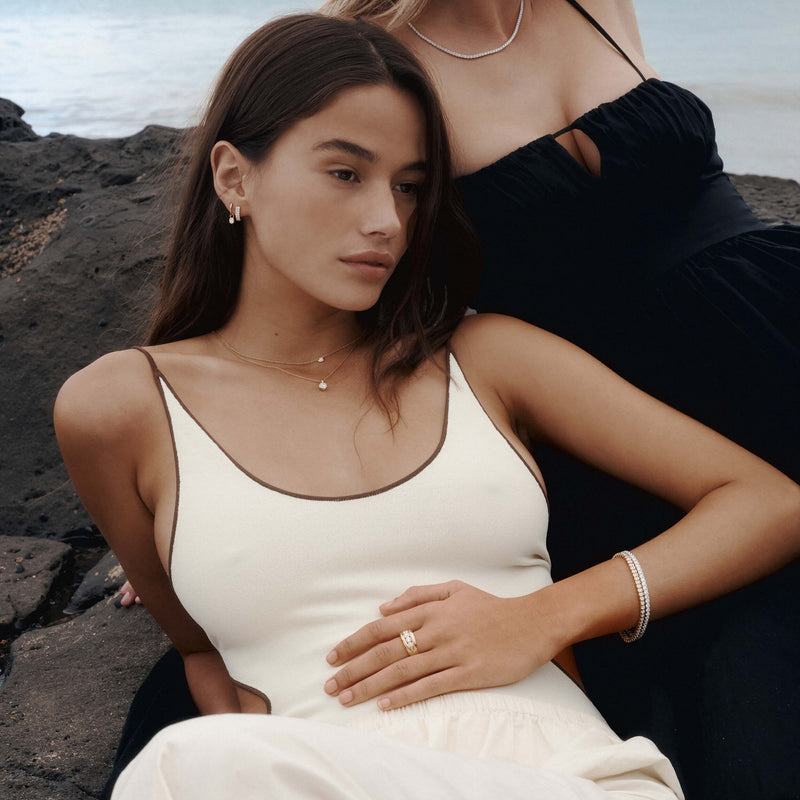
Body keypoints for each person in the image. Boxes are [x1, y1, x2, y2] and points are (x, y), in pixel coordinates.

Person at [55, 12, 800, 800]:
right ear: (234, 176)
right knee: (194, 761)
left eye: (411, 188)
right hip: (305, 774)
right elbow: (203, 653)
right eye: (345, 173)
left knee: (184, 766)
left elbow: (768, 501)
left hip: (564, 773)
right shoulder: (117, 409)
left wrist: (543, 617)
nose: (387, 221)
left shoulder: (486, 359)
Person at [314, 2, 800, 796]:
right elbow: (333, 259)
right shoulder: (377, 60)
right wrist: (210, 450)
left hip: (775, 317)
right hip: (628, 417)